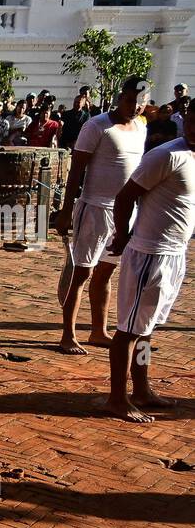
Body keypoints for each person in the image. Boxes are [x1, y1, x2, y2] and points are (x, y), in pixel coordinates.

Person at [105, 107, 195, 423]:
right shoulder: (166, 156)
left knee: (147, 328)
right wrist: (122, 234)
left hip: (175, 255)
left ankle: (142, 388)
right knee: (129, 329)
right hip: (149, 254)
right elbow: (126, 195)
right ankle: (118, 398)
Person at [54, 77, 149, 356]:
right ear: (121, 97)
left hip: (125, 213)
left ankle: (98, 330)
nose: (134, 106)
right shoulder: (96, 126)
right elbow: (76, 171)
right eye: (130, 100)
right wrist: (66, 210)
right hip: (95, 209)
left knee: (106, 271)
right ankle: (68, 334)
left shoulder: (140, 128)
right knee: (81, 272)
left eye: (140, 102)